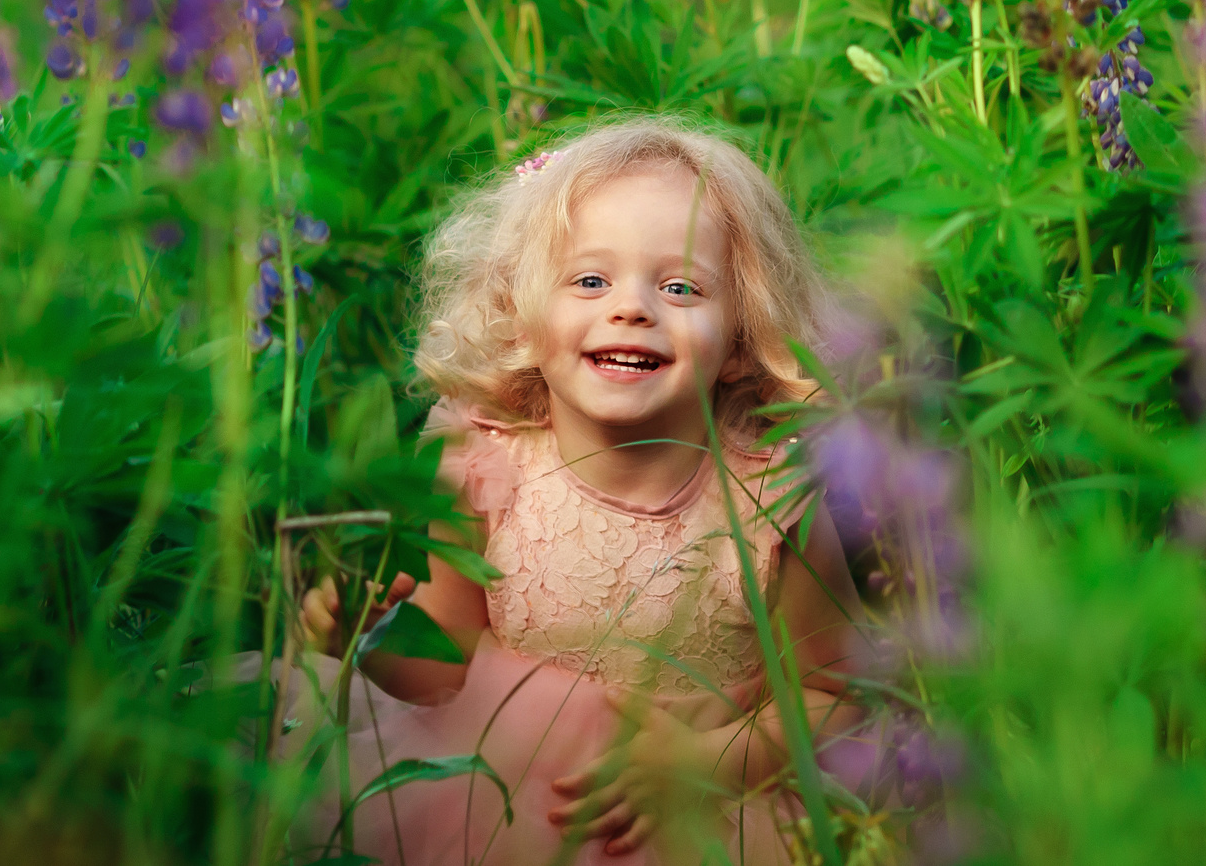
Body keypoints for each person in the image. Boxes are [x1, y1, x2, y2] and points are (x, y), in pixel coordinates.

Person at [294, 116, 859, 864]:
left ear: (740, 338)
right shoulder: (485, 458)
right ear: (524, 317)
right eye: (590, 280)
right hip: (490, 795)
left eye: (680, 286)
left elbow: (832, 695)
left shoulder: (771, 493)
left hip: (698, 810)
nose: (631, 307)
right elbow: (442, 667)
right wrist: (369, 639)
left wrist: (704, 764)